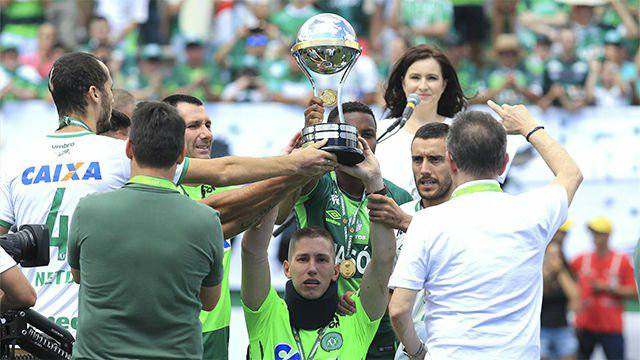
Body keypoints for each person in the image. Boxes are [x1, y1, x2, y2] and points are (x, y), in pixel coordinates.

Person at [0, 51, 335, 335]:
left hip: (31, 332)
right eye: (110, 88)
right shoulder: (120, 155)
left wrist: (17, 297)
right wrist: (294, 164)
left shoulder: (14, 160)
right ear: (95, 94)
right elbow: (223, 172)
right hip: (99, 334)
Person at [389, 102, 583, 359]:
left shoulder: (425, 222)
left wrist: (418, 353)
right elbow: (571, 174)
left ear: (451, 162)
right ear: (504, 164)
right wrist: (529, 126)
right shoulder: (532, 212)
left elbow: (399, 310)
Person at [67, 101, 223, 359]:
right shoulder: (206, 220)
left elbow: (78, 275)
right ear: (181, 156)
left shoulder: (88, 210)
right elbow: (209, 301)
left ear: (128, 148)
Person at [163, 93, 314, 359]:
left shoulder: (220, 185)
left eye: (208, 125)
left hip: (217, 330)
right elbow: (217, 210)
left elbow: (275, 213)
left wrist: (291, 161)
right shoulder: (162, 189)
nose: (206, 134)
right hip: (172, 331)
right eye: (194, 126)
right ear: (167, 133)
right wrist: (292, 168)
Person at [277, 99, 413, 358]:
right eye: (347, 132)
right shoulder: (316, 184)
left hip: (378, 328)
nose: (358, 141)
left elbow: (408, 269)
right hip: (319, 321)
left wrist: (372, 300)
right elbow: (278, 215)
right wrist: (305, 153)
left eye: (368, 134)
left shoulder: (398, 197)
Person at [242, 140, 398, 359]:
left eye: (322, 260)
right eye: (303, 259)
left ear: (336, 270)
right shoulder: (266, 314)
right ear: (287, 268)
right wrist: (281, 168)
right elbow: (252, 251)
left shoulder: (356, 318)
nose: (312, 268)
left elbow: (383, 258)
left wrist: (373, 182)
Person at [375, 45, 467, 198]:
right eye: (415, 78)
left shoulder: (460, 132)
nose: (423, 86)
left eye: (431, 78)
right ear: (403, 83)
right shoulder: (381, 131)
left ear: (444, 84)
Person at [570, 217, 637, 360]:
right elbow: (564, 280)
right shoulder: (581, 259)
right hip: (584, 325)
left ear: (608, 235)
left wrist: (608, 288)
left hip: (611, 327)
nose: (595, 237)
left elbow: (634, 292)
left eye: (599, 233)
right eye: (593, 233)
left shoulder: (622, 260)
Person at [541, 222, 581, 360]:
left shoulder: (566, 267)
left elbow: (575, 296)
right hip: (541, 329)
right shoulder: (537, 267)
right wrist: (549, 272)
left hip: (563, 328)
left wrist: (560, 271)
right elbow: (542, 292)